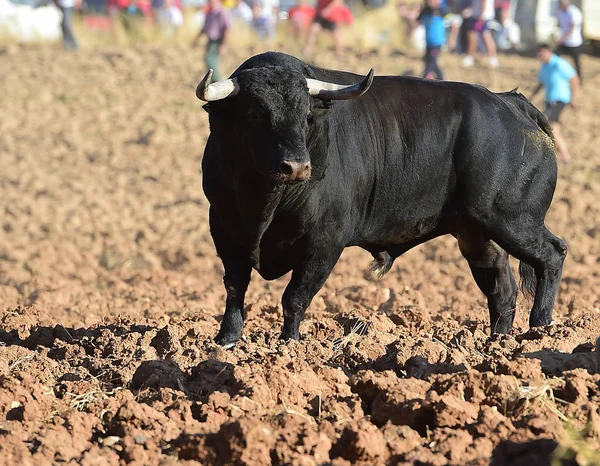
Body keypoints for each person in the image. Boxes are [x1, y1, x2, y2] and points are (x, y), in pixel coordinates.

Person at [531, 44, 580, 164]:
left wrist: (573, 99)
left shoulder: (559, 64)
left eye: (541, 53)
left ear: (548, 52)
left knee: (550, 125)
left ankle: (565, 155)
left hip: (560, 99)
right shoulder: (544, 66)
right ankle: (561, 154)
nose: (539, 55)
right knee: (553, 127)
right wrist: (531, 96)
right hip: (549, 101)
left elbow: (574, 80)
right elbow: (541, 83)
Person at [192, 0, 231, 82]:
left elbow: (227, 29)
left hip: (217, 40)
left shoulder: (222, 12)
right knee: (211, 60)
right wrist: (196, 39)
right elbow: (204, 28)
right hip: (210, 40)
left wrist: (224, 45)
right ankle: (213, 80)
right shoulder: (209, 13)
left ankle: (218, 79)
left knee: (209, 59)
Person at [461, 0, 498, 68]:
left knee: (480, 35)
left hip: (480, 16)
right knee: (478, 35)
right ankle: (492, 59)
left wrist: (482, 14)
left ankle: (471, 57)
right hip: (479, 15)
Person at [418, 0, 447, 79]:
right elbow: (417, 22)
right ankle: (442, 80)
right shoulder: (425, 11)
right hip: (428, 42)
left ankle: (424, 79)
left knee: (430, 64)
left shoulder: (441, 10)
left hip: (437, 42)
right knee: (431, 62)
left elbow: (449, 18)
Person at [556, 0, 583, 83]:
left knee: (576, 62)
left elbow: (571, 28)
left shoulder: (574, 12)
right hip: (565, 42)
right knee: (556, 57)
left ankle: (580, 79)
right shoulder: (560, 11)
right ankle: (557, 75)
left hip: (574, 42)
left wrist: (561, 39)